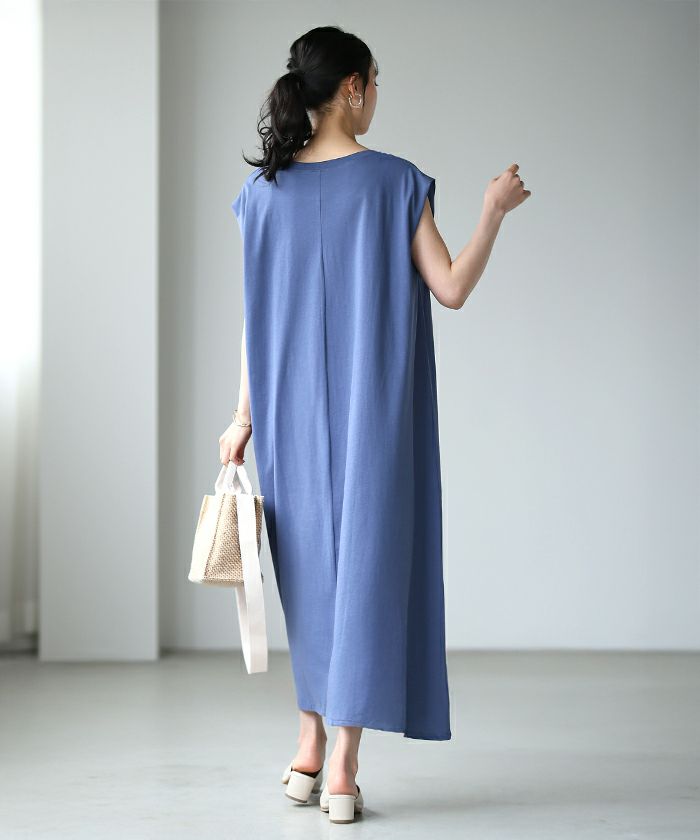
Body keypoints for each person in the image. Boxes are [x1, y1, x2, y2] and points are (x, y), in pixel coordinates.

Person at [218, 25, 530, 824]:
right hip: (374, 410)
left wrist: (243, 416)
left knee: (308, 574)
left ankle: (309, 745)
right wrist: (493, 211)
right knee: (363, 568)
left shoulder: (262, 194)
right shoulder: (396, 183)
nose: (377, 96)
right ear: (353, 87)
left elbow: (256, 320)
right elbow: (451, 287)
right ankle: (344, 766)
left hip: (287, 411)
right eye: (375, 82)